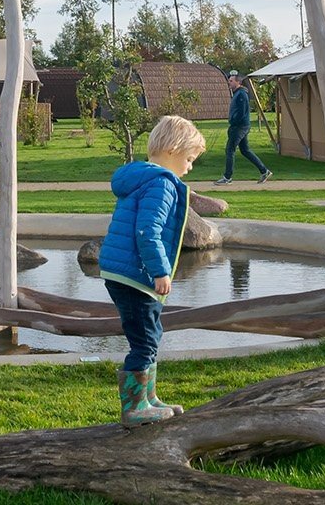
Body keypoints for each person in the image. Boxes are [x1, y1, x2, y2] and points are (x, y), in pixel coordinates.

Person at [96, 115, 206, 426]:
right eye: (189, 158)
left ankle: (148, 397)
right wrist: (160, 271)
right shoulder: (161, 184)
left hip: (125, 272)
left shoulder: (141, 178)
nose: (190, 167)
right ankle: (134, 408)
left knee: (150, 334)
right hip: (135, 274)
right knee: (144, 340)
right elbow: (148, 230)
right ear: (173, 150)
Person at [214, 71, 271, 185]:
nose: (229, 82)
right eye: (229, 80)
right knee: (245, 150)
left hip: (239, 126)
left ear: (238, 82)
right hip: (241, 126)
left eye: (231, 81)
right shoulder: (237, 93)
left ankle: (227, 177)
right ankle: (264, 171)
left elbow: (242, 112)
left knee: (230, 150)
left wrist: (234, 122)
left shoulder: (241, 94)